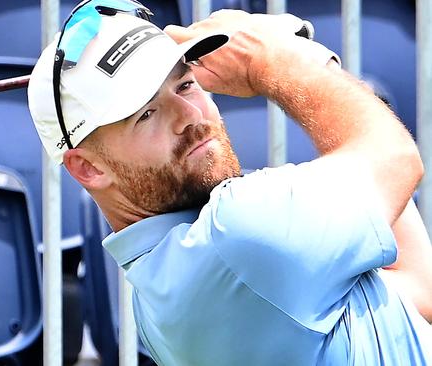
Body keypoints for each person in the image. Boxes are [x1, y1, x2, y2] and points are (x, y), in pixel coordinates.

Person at [27, 1, 432, 364]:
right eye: (145, 113)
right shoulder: (236, 235)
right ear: (88, 168)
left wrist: (303, 64)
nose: (190, 115)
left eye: (185, 84)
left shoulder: (159, 292)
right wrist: (278, 62)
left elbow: (418, 288)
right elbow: (396, 158)